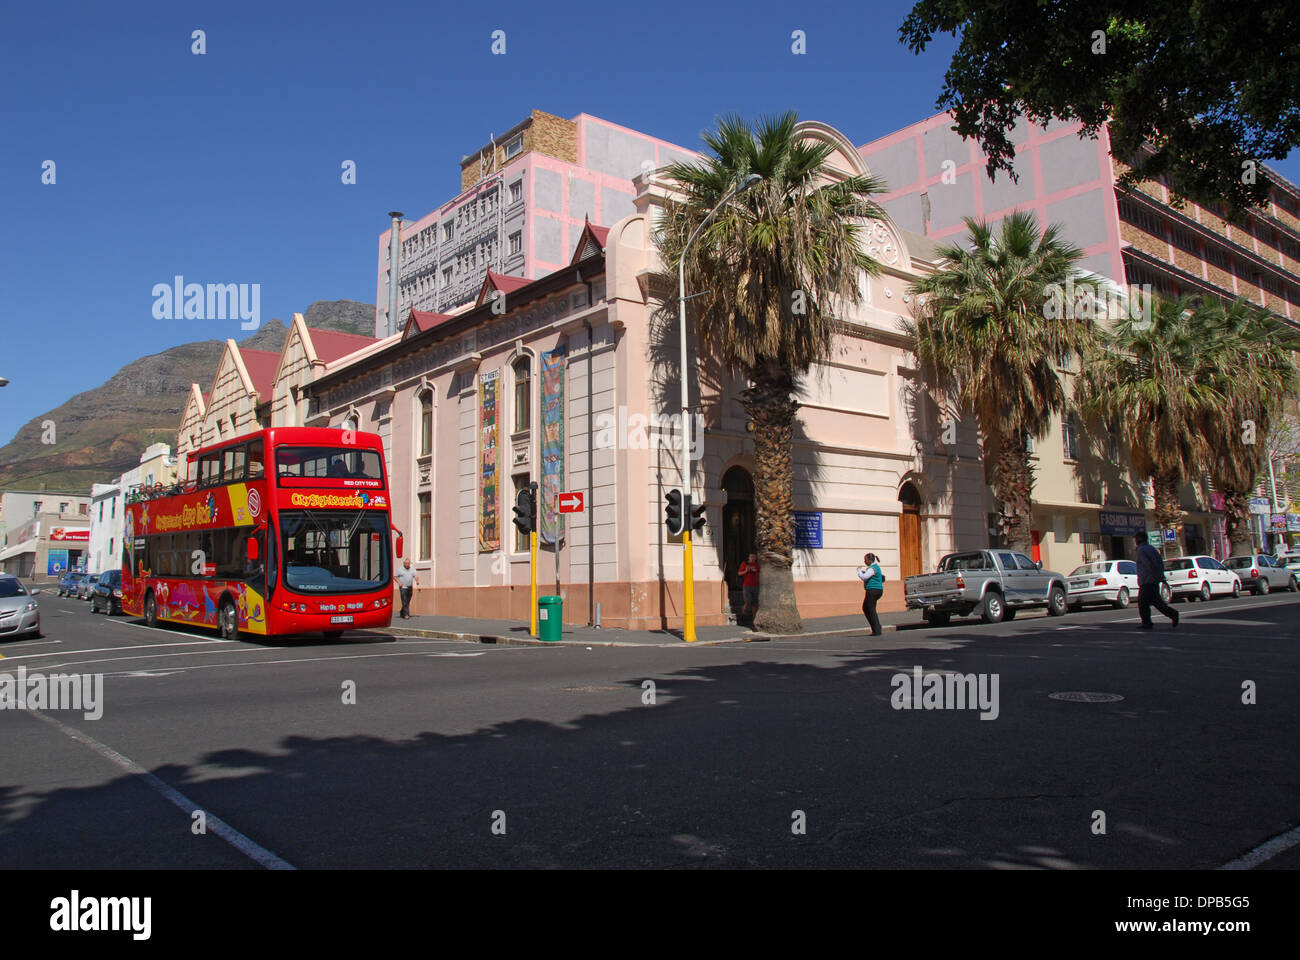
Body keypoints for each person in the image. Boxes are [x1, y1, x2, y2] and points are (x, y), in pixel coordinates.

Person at [1135, 531, 1178, 629]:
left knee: (1143, 602)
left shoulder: (1141, 550)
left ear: (1139, 539)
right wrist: (1160, 576)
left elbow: (1148, 565)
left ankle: (1147, 622)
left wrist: (1154, 575)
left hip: (1147, 580)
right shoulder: (1152, 549)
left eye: (1136, 539)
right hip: (1153, 580)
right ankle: (1171, 614)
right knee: (1155, 601)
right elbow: (1159, 563)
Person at [857, 552, 885, 636]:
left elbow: (864, 577)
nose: (864, 561)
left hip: (873, 590)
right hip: (875, 590)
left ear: (869, 560)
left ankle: (877, 629)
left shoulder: (872, 568)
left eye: (865, 560)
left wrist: (859, 571)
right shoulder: (873, 568)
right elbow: (867, 576)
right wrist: (863, 572)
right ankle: (876, 627)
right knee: (866, 608)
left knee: (870, 609)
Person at [738, 552, 760, 621]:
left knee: (755, 603)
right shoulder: (744, 564)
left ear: (756, 558)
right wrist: (746, 571)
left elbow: (760, 573)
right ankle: (744, 611)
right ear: (749, 557)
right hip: (747, 585)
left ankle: (754, 618)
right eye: (751, 557)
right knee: (748, 601)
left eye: (754, 557)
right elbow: (739, 573)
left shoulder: (757, 565)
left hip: (756, 585)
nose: (753, 558)